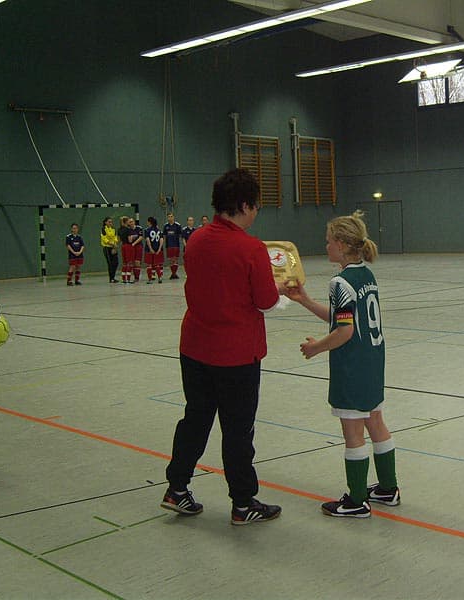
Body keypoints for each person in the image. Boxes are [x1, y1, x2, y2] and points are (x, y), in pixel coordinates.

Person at [161, 168, 285, 525]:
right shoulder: (250, 247)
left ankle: (177, 487)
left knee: (196, 418)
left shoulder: (196, 240)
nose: (256, 212)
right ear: (244, 205)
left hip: (195, 347)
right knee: (237, 428)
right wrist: (280, 290)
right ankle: (243, 502)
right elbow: (265, 300)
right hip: (235, 353)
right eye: (256, 206)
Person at [286, 211, 399, 518]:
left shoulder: (340, 281)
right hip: (374, 361)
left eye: (328, 242)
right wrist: (305, 301)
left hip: (353, 366)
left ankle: (357, 500)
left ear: (340, 243)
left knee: (353, 432)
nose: (325, 247)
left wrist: (315, 348)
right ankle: (388, 488)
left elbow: (345, 331)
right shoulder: (365, 275)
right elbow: (345, 319)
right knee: (375, 421)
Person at [144, 216, 164, 284]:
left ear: (149, 222)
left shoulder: (147, 230)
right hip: (157, 249)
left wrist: (150, 248)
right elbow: (161, 240)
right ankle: (160, 278)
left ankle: (150, 279)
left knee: (149, 265)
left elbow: (147, 240)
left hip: (149, 250)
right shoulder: (159, 230)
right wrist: (159, 249)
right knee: (157, 264)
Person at [162, 212, 182, 280]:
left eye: (171, 216)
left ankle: (175, 273)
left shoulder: (177, 225)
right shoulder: (165, 226)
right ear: (167, 218)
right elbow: (164, 236)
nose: (170, 218)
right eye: (169, 217)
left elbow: (180, 235)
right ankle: (172, 273)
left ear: (173, 217)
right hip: (168, 245)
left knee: (175, 259)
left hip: (176, 245)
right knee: (170, 260)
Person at [100, 217, 119, 283]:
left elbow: (115, 237)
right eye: (109, 222)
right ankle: (111, 278)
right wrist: (111, 244)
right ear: (105, 222)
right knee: (110, 263)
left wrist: (115, 245)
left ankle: (113, 277)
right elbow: (104, 239)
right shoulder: (104, 229)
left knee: (116, 262)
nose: (110, 223)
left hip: (113, 247)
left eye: (111, 222)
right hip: (107, 247)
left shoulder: (113, 229)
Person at [118, 216, 134, 284]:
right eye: (128, 221)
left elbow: (119, 239)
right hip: (128, 246)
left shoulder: (119, 229)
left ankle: (124, 278)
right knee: (129, 263)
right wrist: (132, 237)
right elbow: (130, 240)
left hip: (123, 246)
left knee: (124, 263)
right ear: (126, 222)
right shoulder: (128, 229)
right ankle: (128, 278)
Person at [129, 217, 144, 283]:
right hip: (132, 247)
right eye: (130, 222)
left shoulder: (139, 228)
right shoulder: (128, 230)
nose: (131, 223)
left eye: (132, 221)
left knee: (137, 261)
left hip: (138, 246)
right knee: (133, 262)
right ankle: (135, 276)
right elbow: (129, 239)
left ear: (134, 222)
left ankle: (137, 277)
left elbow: (141, 237)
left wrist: (134, 243)